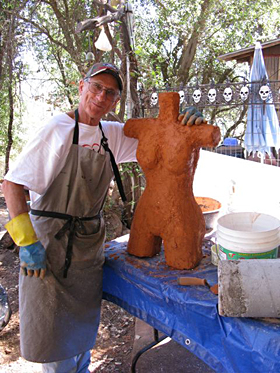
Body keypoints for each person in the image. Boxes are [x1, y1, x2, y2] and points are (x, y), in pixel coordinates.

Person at [2, 62, 205, 373]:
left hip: (87, 249)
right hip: (49, 250)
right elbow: (12, 184)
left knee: (82, 338)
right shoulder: (56, 129)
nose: (100, 96)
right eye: (96, 87)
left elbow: (163, 139)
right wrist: (27, 243)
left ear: (115, 102)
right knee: (56, 346)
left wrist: (186, 121)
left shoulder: (111, 135)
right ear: (81, 87)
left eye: (110, 92)